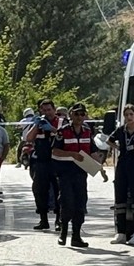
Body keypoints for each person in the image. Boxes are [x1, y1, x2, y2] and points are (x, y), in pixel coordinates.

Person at [52, 103, 95, 248]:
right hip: (65, 173)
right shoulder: (62, 131)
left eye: (82, 114)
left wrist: (99, 166)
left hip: (81, 174)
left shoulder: (87, 131)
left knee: (81, 204)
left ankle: (76, 236)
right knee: (67, 202)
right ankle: (63, 232)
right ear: (70, 115)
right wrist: (72, 155)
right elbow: (55, 151)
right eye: (76, 114)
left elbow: (93, 151)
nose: (79, 117)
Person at [109, 104, 134, 245]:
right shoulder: (121, 130)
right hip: (123, 164)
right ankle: (121, 233)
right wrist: (118, 147)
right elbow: (109, 140)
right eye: (126, 115)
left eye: (131, 114)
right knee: (120, 197)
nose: (129, 117)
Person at [25, 98, 61, 230]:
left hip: (57, 161)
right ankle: (43, 220)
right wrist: (36, 125)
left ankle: (59, 220)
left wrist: (51, 128)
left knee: (59, 191)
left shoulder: (61, 121)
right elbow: (28, 138)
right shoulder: (39, 123)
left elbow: (64, 135)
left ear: (54, 109)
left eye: (49, 110)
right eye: (44, 110)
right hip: (41, 161)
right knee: (39, 191)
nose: (47, 112)